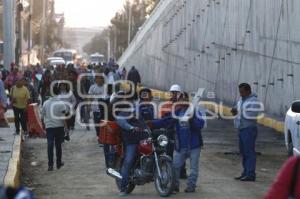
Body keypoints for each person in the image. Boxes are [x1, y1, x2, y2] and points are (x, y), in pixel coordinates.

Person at [151, 92, 205, 193]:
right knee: (175, 167)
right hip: (180, 147)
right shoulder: (176, 112)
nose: (183, 101)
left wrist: (192, 119)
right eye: (182, 99)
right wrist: (152, 123)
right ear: (179, 101)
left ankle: (191, 186)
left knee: (193, 169)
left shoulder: (195, 112)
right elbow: (165, 121)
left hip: (194, 146)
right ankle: (174, 186)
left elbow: (200, 125)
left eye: (185, 99)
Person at [113, 91, 148, 196]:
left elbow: (143, 121)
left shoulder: (137, 108)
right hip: (131, 140)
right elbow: (121, 121)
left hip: (143, 137)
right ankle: (123, 188)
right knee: (128, 161)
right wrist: (131, 127)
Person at [231, 83, 262, 182]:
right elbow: (237, 108)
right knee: (243, 152)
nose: (241, 94)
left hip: (249, 129)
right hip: (241, 129)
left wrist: (239, 112)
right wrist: (234, 110)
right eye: (240, 92)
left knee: (249, 152)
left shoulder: (254, 101)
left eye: (242, 92)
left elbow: (252, 114)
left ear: (248, 91)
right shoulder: (241, 100)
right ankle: (245, 172)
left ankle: (250, 174)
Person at [159, 84, 188, 179]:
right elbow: (162, 118)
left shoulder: (182, 105)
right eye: (173, 93)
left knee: (181, 152)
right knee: (168, 152)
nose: (174, 94)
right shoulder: (166, 105)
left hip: (180, 132)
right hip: (169, 131)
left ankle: (182, 172)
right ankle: (169, 171)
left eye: (176, 93)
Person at [41, 84, 68, 171]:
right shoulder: (61, 103)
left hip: (49, 127)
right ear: (58, 92)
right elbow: (64, 117)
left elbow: (42, 115)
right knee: (58, 145)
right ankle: (58, 163)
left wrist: (43, 125)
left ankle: (50, 165)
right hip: (59, 127)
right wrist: (66, 128)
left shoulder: (45, 103)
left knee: (50, 145)